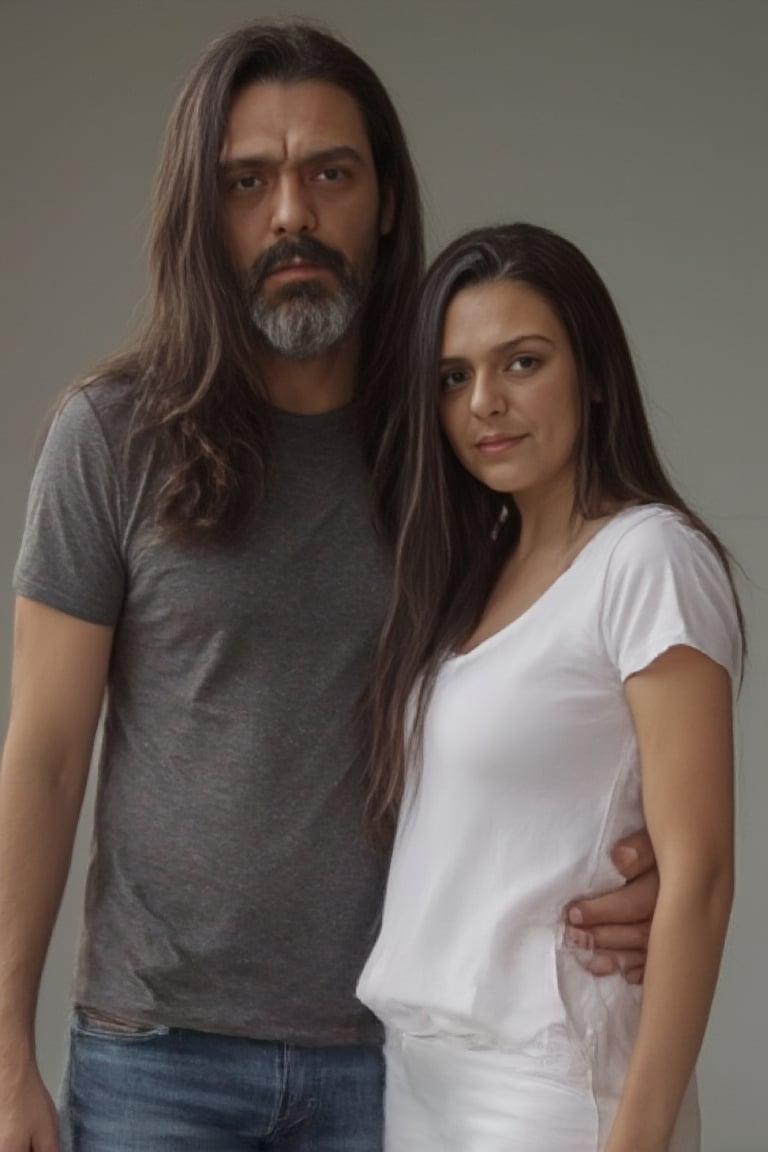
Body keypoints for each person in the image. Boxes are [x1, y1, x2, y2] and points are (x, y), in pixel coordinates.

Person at [0, 24, 657, 1152]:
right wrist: (3, 1051)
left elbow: (562, 675)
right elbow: (46, 756)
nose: (290, 213)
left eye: (329, 173)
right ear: (203, 213)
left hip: (393, 1065)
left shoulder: (457, 444)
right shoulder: (112, 437)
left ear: (387, 199)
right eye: (247, 181)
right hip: (157, 1057)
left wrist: (633, 863)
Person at [357, 222, 743, 1151]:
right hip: (421, 1073)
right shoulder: (472, 573)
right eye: (454, 377)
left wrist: (640, 1133)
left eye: (521, 362)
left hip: (550, 1082)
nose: (484, 402)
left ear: (595, 371)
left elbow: (700, 875)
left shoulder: (648, 559)